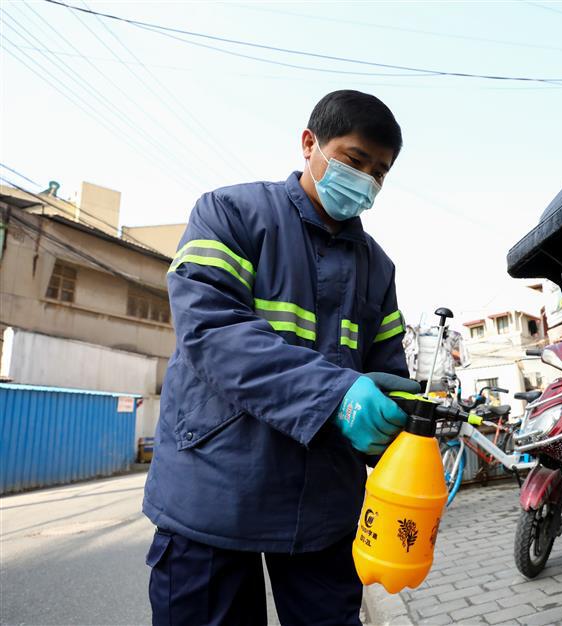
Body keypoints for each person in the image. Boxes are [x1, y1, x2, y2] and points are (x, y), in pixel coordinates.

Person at [142, 90, 419, 626]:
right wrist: (338, 394)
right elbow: (211, 331)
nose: (365, 180)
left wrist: (407, 420)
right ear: (309, 144)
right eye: (354, 160)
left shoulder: (377, 268)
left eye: (380, 172)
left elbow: (388, 373)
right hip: (215, 494)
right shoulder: (230, 213)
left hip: (323, 511)